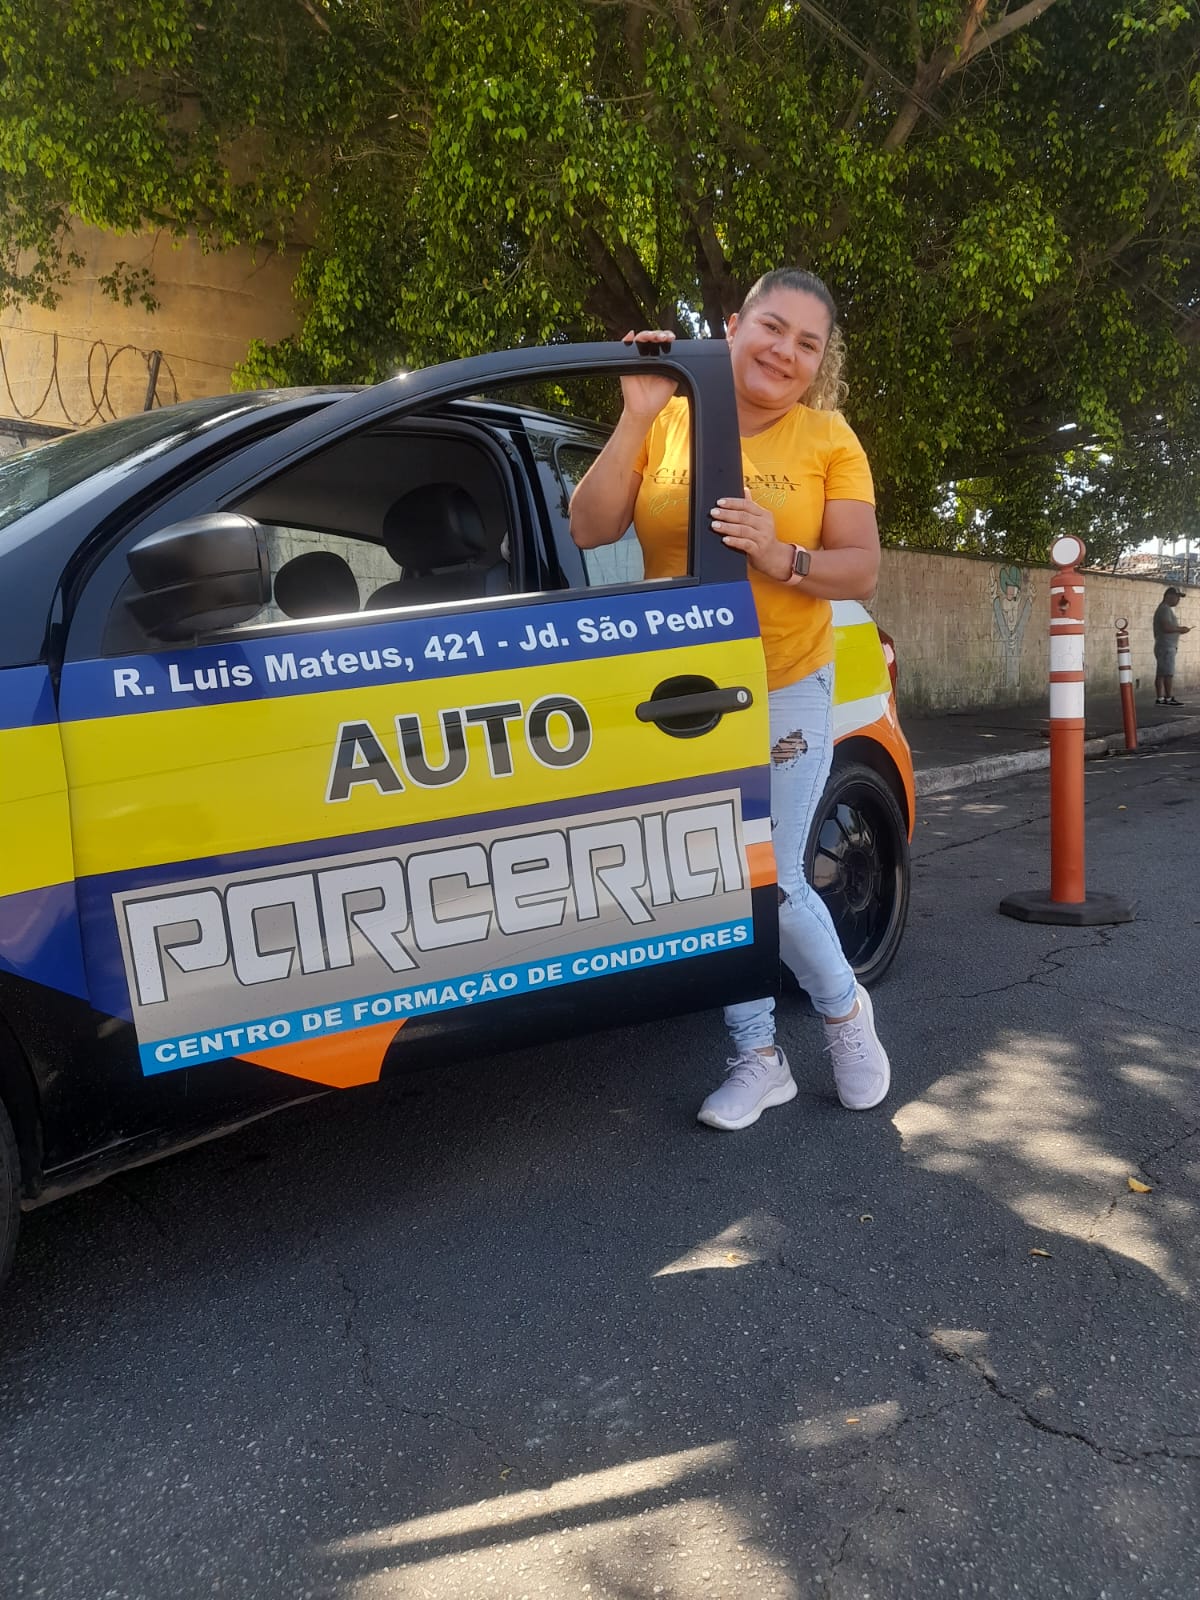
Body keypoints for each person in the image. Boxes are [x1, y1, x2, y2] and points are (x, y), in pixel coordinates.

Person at [569, 267, 891, 1130]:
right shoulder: (671, 415)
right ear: (733, 325)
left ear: (820, 362)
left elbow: (860, 567)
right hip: (677, 693)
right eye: (772, 328)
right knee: (708, 879)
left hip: (784, 681)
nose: (785, 352)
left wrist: (780, 553)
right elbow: (589, 526)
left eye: (807, 344)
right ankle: (758, 1057)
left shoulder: (828, 438)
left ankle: (843, 1014)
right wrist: (636, 414)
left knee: (767, 877)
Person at [1153, 587, 1190, 705]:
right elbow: (1166, 627)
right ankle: (1167, 698)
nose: (1178, 600)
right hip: (1166, 646)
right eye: (1177, 597)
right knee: (1167, 673)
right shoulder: (1164, 609)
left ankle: (1161, 698)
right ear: (1168, 596)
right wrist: (1181, 629)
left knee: (1162, 672)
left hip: (1165, 645)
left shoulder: (1165, 609)